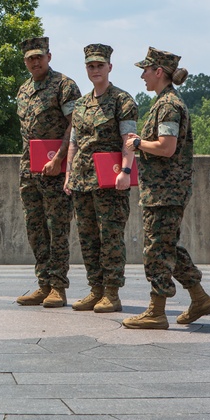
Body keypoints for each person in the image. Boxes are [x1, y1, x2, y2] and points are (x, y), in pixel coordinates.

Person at [122, 47, 210, 329]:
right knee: (167, 249)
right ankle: (200, 299)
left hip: (165, 193)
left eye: (146, 70)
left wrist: (137, 143)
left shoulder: (168, 106)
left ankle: (156, 311)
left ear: (159, 72)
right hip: (162, 191)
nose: (142, 75)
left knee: (156, 251)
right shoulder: (164, 102)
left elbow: (166, 147)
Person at [64, 44, 137, 313]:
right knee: (88, 237)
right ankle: (95, 289)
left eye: (99, 65)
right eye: (90, 66)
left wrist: (127, 172)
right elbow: (74, 142)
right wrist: (69, 174)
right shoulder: (81, 104)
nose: (95, 70)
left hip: (110, 181)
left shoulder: (122, 100)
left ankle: (111, 293)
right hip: (82, 181)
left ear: (109, 67)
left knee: (110, 238)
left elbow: (128, 141)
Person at [14, 36, 81, 308]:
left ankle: (58, 287)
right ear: (25, 61)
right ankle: (43, 284)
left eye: (39, 56)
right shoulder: (23, 90)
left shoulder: (64, 86)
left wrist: (60, 158)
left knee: (57, 229)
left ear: (49, 57)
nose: (35, 61)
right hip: (29, 170)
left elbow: (74, 126)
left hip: (55, 169)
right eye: (30, 58)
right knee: (35, 228)